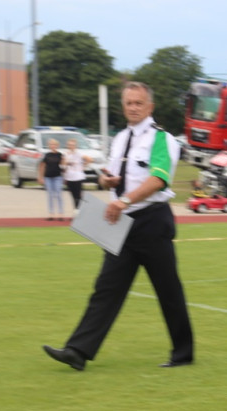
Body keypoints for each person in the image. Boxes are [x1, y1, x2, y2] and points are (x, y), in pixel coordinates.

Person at [42, 81, 194, 371]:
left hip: (151, 220)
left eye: (138, 103)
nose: (133, 108)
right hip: (120, 222)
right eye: (128, 103)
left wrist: (123, 200)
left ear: (150, 107)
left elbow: (158, 179)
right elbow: (109, 177)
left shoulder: (162, 139)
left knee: (167, 289)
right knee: (106, 288)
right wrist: (106, 181)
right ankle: (78, 351)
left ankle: (183, 352)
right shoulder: (120, 139)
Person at [38, 138, 65, 220]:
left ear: (57, 146)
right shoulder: (46, 155)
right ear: (49, 146)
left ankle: (60, 213)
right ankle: (51, 213)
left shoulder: (60, 155)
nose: (53, 146)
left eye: (54, 144)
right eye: (51, 144)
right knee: (50, 195)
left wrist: (64, 176)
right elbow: (42, 166)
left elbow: (63, 166)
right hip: (48, 177)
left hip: (57, 177)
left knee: (58, 194)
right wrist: (40, 177)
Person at [62, 138, 93, 211]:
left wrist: (84, 165)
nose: (71, 146)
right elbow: (63, 165)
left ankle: (78, 210)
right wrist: (65, 165)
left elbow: (89, 159)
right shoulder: (66, 154)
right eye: (69, 145)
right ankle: (76, 209)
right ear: (67, 146)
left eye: (73, 145)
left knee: (78, 195)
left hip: (78, 177)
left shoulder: (79, 154)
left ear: (75, 146)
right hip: (69, 177)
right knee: (73, 195)